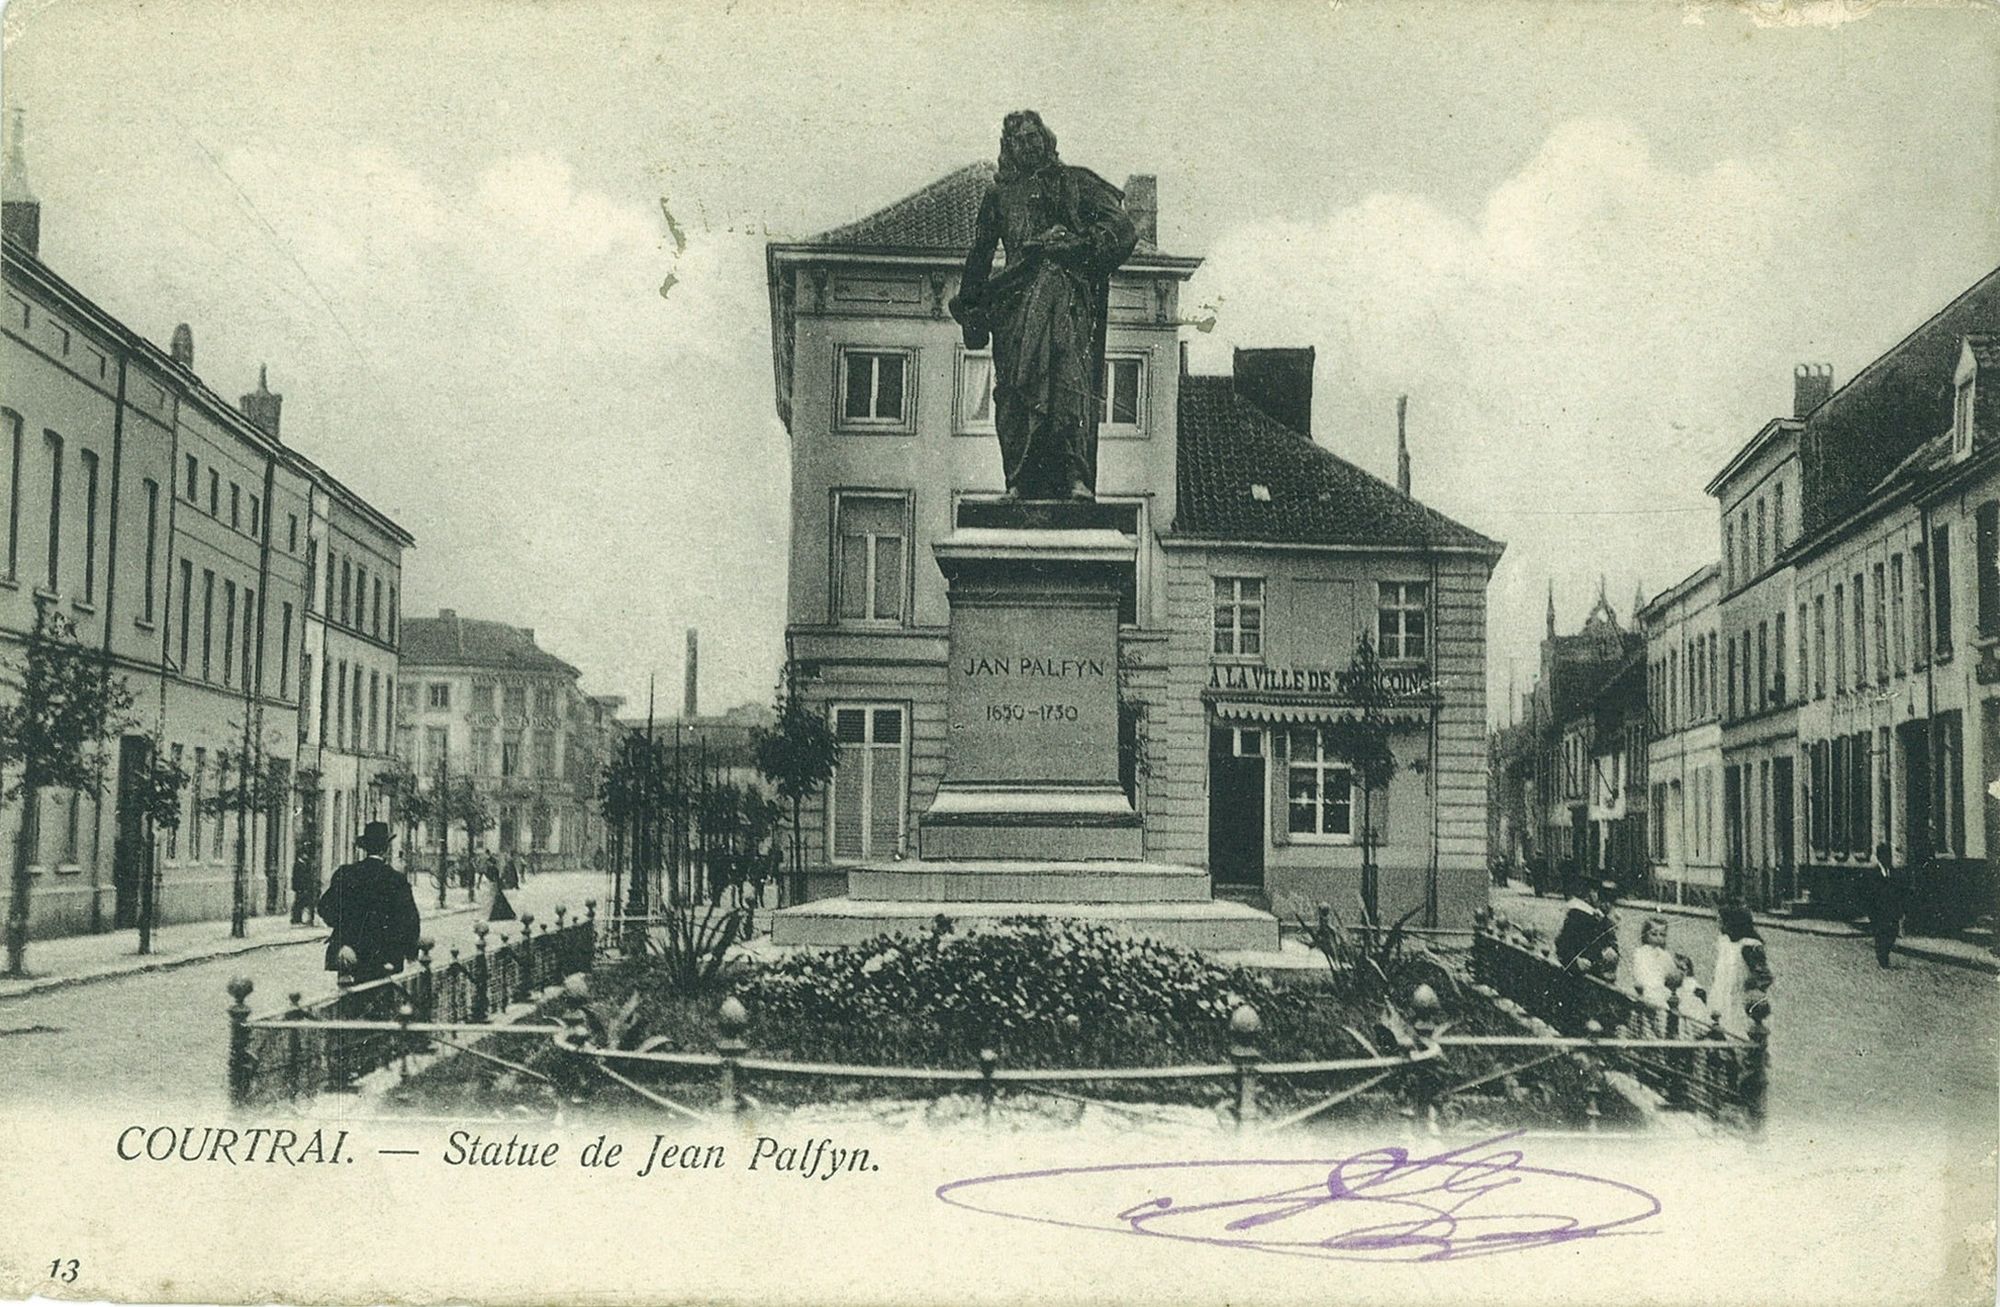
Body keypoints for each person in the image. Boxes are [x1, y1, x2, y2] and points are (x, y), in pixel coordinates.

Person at [950, 110, 1138, 501]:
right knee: (1017, 387)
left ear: (1046, 138)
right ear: (1009, 148)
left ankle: (1073, 474)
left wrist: (1079, 244)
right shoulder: (998, 196)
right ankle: (1017, 479)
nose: (1029, 144)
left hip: (1065, 296)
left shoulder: (1076, 183)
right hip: (1015, 305)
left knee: (1067, 379)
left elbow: (1122, 228)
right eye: (1020, 140)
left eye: (1034, 136)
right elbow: (980, 255)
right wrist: (971, 309)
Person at [317, 821, 421, 986]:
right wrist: (410, 953)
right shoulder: (396, 880)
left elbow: (325, 908)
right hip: (385, 958)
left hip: (350, 956)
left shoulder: (346, 874)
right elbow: (409, 920)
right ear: (386, 849)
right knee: (381, 1002)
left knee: (349, 1003)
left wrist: (343, 930)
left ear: (365, 847)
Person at [1708, 903, 1774, 1038]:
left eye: (1721, 920)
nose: (1718, 924)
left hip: (1740, 1000)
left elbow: (1764, 976)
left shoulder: (1749, 946)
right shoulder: (1725, 942)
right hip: (1722, 995)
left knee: (1738, 1033)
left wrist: (1751, 991)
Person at [1554, 882, 1616, 973]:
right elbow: (1562, 945)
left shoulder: (1604, 920)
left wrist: (1611, 950)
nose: (1606, 904)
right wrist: (1576, 961)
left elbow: (1611, 942)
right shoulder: (1576, 915)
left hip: (1597, 972)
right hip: (1577, 974)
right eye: (1595, 892)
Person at [1867, 842, 1902, 969]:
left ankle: (1884, 953)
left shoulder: (1892, 872)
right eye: (1885, 855)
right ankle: (1882, 958)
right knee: (1881, 935)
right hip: (1879, 912)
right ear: (1879, 856)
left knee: (1892, 933)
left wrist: (1899, 910)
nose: (1888, 857)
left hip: (1892, 911)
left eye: (1889, 855)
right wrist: (1872, 915)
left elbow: (1898, 892)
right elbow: (1870, 896)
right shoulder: (1873, 873)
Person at [1629, 915, 1676, 1008]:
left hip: (1659, 990)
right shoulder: (1641, 952)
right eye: (1654, 934)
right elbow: (1637, 972)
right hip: (1645, 989)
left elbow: (1671, 973)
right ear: (1646, 935)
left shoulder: (1665, 955)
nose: (1658, 938)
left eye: (1662, 934)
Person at [289, 851, 319, 926]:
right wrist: (297, 887)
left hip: (306, 888)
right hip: (300, 888)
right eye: (305, 855)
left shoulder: (306, 864)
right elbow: (296, 877)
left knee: (303, 903)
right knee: (299, 903)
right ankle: (295, 919)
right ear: (301, 855)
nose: (306, 856)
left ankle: (302, 919)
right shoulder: (297, 864)